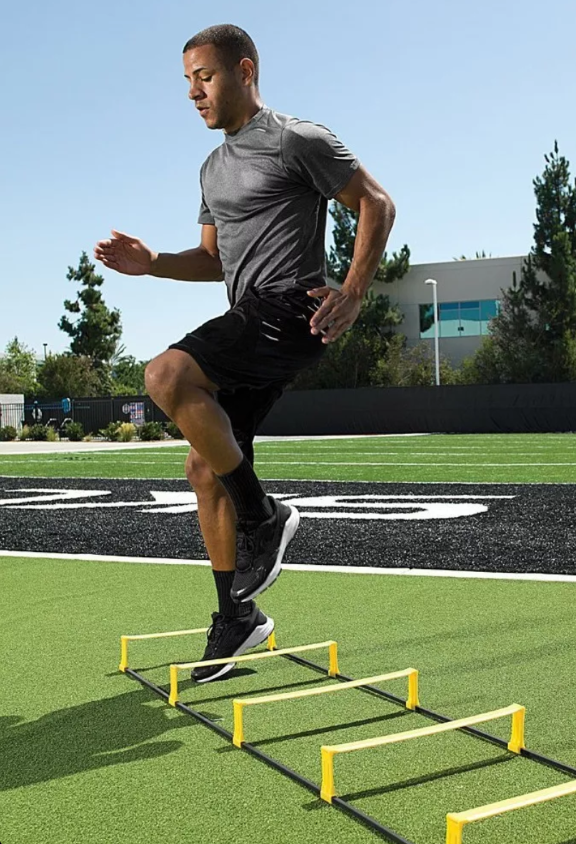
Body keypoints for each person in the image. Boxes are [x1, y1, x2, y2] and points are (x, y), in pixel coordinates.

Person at [94, 24, 396, 683]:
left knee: (165, 374)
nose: (193, 92)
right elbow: (212, 260)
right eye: (187, 81)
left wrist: (352, 291)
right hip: (247, 319)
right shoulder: (211, 169)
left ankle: (263, 516)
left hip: (291, 308)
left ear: (245, 71)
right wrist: (152, 263)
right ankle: (237, 616)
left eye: (204, 77)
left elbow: (375, 202)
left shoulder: (296, 139)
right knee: (204, 467)